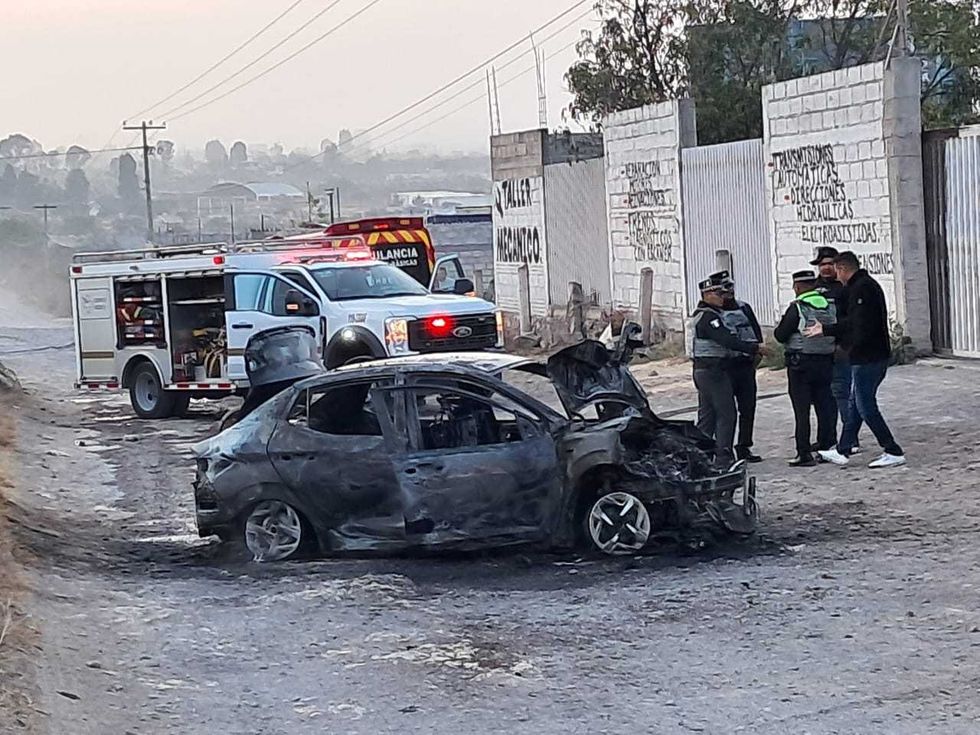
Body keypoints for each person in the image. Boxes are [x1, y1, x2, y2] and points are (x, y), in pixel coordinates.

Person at [806, 251, 906, 469]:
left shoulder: (863, 288)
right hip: (864, 356)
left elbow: (857, 324)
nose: (835, 275)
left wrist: (827, 330)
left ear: (842, 268)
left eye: (836, 270)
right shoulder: (859, 287)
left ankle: (892, 449)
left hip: (869, 357)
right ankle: (843, 450)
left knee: (865, 406)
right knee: (854, 406)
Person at [690, 271, 767, 467]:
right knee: (726, 414)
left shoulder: (721, 312)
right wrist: (755, 348)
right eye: (719, 293)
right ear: (707, 295)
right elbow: (726, 339)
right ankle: (723, 458)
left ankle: (703, 456)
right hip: (713, 370)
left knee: (709, 415)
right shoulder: (708, 317)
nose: (724, 297)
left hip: (715, 369)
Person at [774, 270, 838, 467]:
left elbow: (780, 334)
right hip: (825, 361)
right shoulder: (828, 305)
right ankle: (827, 447)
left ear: (798, 287)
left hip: (800, 364)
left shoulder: (798, 307)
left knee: (801, 411)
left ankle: (803, 453)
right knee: (825, 406)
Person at [811, 246, 861, 452]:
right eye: (821, 265)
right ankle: (827, 437)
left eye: (829, 264)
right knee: (823, 396)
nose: (825, 268)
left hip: (841, 348)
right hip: (820, 350)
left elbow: (851, 320)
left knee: (842, 392)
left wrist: (844, 344)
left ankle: (850, 438)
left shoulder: (846, 288)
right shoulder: (814, 288)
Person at [721, 276, 765, 463]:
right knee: (725, 411)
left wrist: (756, 356)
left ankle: (744, 446)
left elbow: (756, 334)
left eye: (730, 288)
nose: (728, 293)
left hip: (745, 365)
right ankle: (724, 449)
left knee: (748, 408)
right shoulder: (713, 313)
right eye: (724, 290)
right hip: (725, 367)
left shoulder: (744, 308)